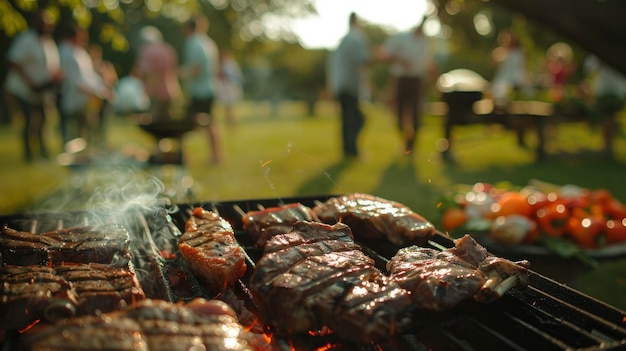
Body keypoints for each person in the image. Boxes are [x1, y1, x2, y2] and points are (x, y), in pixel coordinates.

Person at [4, 10, 62, 162]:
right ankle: (29, 154)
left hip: (41, 90)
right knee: (29, 121)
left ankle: (43, 151)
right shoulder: (25, 39)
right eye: (44, 23)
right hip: (24, 90)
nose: (47, 27)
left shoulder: (48, 43)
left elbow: (53, 66)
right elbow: (14, 61)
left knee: (43, 121)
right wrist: (29, 82)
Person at [377, 18, 437, 155]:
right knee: (399, 114)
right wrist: (400, 60)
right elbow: (383, 55)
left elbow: (429, 63)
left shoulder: (425, 42)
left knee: (416, 114)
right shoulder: (400, 38)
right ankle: (406, 141)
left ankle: (411, 146)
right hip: (401, 80)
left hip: (417, 80)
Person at [58, 23, 110, 151]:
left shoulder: (79, 53)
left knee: (86, 130)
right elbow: (75, 81)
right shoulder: (67, 53)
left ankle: (87, 150)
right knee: (74, 133)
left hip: (84, 99)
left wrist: (102, 89)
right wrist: (96, 92)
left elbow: (89, 76)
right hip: (73, 99)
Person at [329, 12, 370, 158]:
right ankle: (351, 150)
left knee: (348, 120)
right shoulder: (355, 39)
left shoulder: (344, 40)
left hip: (343, 85)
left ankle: (349, 150)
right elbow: (363, 61)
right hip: (349, 86)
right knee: (355, 120)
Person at [182, 15, 221, 164]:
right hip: (210, 87)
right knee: (210, 123)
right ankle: (216, 156)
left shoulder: (193, 42)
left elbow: (196, 69)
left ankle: (184, 156)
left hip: (199, 91)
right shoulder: (208, 42)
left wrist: (183, 74)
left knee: (186, 124)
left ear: (188, 29)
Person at [136, 26, 182, 121]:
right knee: (167, 122)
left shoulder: (147, 51)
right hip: (171, 90)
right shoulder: (168, 49)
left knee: (154, 123)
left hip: (155, 93)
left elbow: (149, 74)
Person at [490, 30, 529, 109]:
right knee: (500, 92)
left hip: (516, 78)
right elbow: (492, 64)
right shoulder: (499, 52)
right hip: (502, 79)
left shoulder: (519, 53)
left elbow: (522, 67)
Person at [217, 49, 244, 127]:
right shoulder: (229, 64)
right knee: (228, 108)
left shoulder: (229, 65)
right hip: (228, 88)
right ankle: (230, 123)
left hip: (229, 88)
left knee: (229, 108)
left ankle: (232, 123)